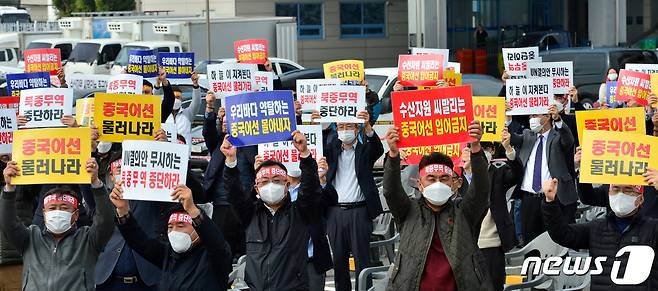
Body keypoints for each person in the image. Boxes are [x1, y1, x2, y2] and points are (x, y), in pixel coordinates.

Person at [382, 121, 494, 291]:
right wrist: (393, 154)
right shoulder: (407, 211)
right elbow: (391, 191)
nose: (438, 183)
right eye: (431, 179)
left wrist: (476, 147)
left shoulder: (464, 214)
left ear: (454, 184)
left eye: (444, 178)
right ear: (420, 184)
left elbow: (481, 189)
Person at [223, 131, 326, 291]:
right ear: (257, 188)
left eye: (277, 181)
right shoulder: (250, 216)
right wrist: (230, 161)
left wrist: (304, 154)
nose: (271, 185)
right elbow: (233, 193)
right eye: (265, 181)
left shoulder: (300, 212)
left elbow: (311, 188)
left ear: (287, 186)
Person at [0, 158, 114, 290]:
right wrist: (9, 188)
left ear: (76, 214)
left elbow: (106, 220)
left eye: (64, 207)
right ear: (44, 214)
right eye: (52, 208)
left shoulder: (88, 240)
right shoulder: (30, 238)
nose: (58, 211)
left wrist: (96, 183)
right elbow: (8, 223)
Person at [110, 183, 232, 290]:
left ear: (197, 228)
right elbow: (139, 241)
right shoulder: (168, 255)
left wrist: (192, 209)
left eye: (181, 225)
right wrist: (123, 211)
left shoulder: (215, 257)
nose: (174, 231)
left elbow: (216, 242)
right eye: (170, 227)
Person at [542, 179, 658, 290]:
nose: (621, 195)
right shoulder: (597, 227)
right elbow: (563, 234)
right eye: (616, 189)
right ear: (609, 194)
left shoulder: (652, 228)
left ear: (641, 199)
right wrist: (550, 202)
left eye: (628, 190)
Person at [324, 110, 383, 291]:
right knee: (339, 261)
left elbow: (378, 149)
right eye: (341, 126)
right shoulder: (331, 151)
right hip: (335, 212)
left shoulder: (365, 150)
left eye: (349, 126)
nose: (344, 130)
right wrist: (316, 122)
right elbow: (311, 145)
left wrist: (368, 127)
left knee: (362, 261)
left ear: (357, 129)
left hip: (360, 211)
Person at [509, 104, 576, 245]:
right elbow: (511, 138)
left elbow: (568, 140)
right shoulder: (528, 135)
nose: (531, 119)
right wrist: (507, 119)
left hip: (552, 199)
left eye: (535, 115)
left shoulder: (557, 136)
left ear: (547, 117)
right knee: (531, 243)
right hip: (529, 199)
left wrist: (558, 120)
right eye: (530, 116)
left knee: (556, 242)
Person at [477, 137, 523, 291]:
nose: (481, 152)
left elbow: (517, 174)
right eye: (474, 146)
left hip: (491, 243)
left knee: (494, 285)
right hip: (464, 244)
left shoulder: (498, 172)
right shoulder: (454, 178)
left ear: (493, 151)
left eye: (485, 148)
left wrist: (509, 149)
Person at [164, 72, 201, 145]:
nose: (175, 100)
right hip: (167, 151)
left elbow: (196, 102)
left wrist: (195, 85)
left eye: (178, 97)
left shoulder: (188, 113)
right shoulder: (162, 114)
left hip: (184, 152)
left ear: (181, 99)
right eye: (173, 97)